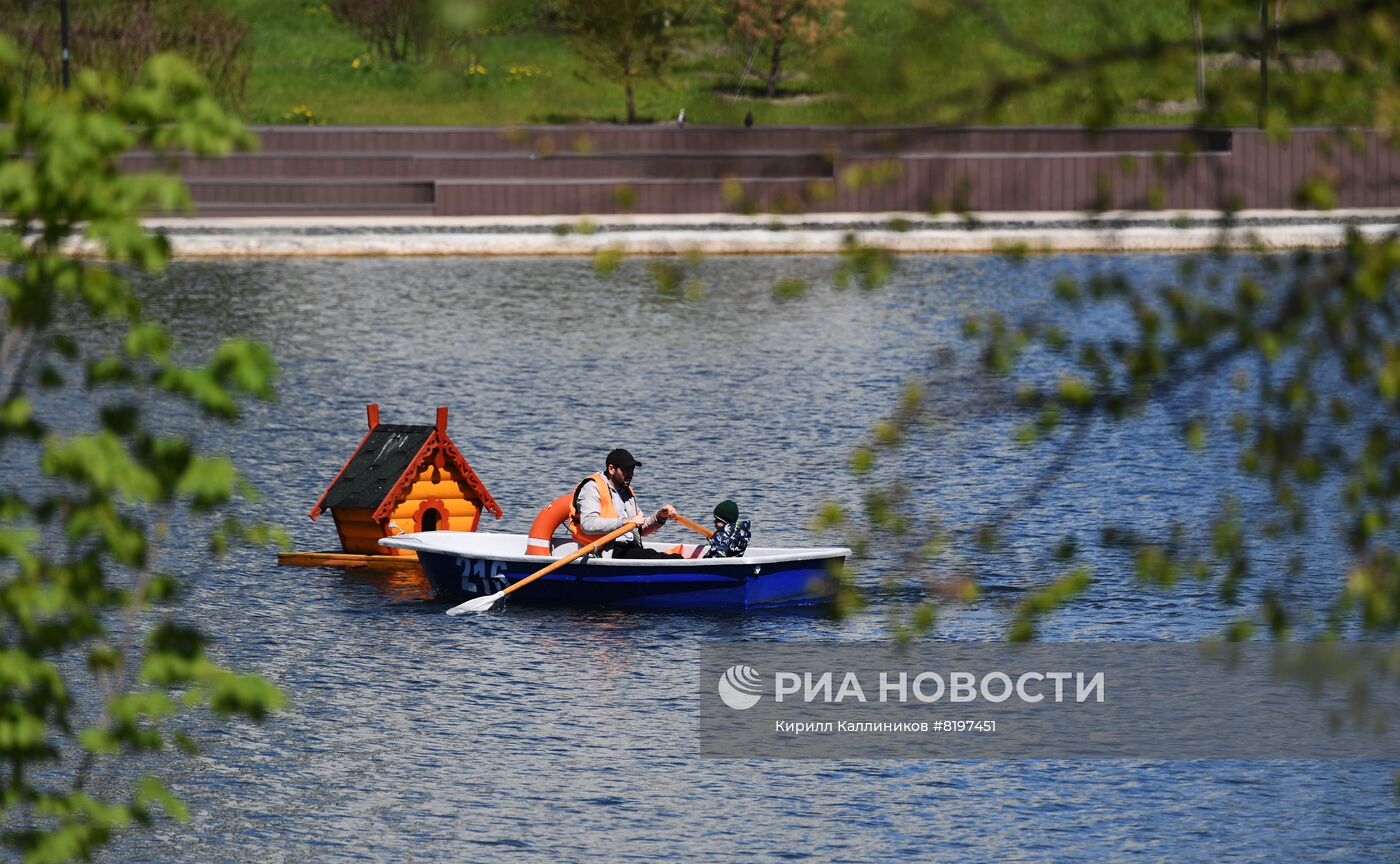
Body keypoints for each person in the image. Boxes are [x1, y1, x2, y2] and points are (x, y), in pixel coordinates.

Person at [567, 448, 681, 559]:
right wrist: (625, 521)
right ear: (611, 469)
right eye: (626, 469)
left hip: (630, 548)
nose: (630, 474)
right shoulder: (592, 487)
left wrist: (660, 517)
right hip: (606, 550)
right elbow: (588, 524)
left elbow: (640, 529)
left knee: (674, 557)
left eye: (632, 469)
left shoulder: (625, 490)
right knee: (660, 557)